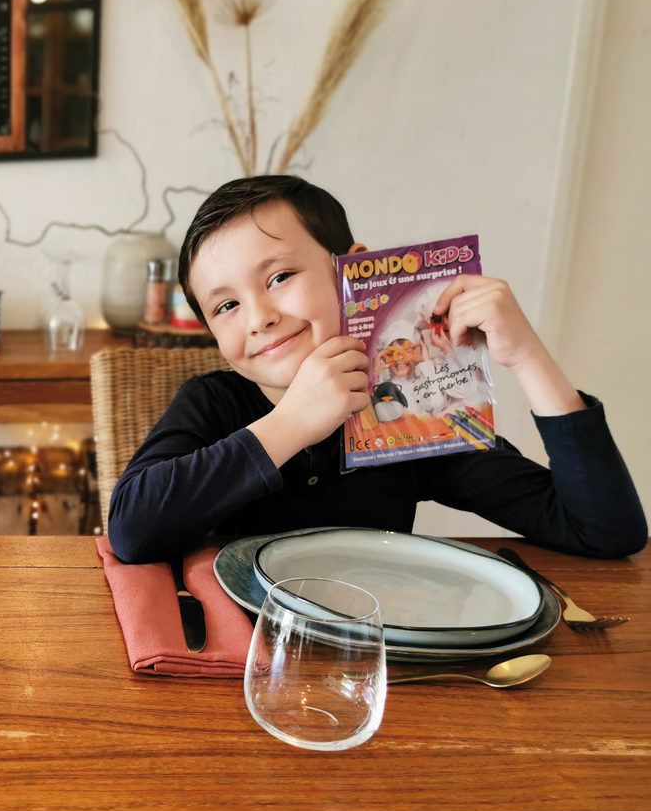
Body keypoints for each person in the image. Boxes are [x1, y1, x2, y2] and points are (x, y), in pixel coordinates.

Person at [106, 176, 646, 563]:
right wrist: (294, 422)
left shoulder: (408, 412)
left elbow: (605, 532)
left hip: (369, 663)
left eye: (279, 277)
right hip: (231, 665)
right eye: (226, 306)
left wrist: (528, 356)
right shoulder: (213, 403)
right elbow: (132, 531)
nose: (260, 318)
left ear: (354, 270)